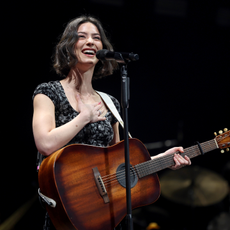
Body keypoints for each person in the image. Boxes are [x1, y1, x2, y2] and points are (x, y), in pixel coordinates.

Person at [32, 15, 191, 230]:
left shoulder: (110, 103)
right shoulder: (48, 92)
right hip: (68, 214)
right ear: (68, 46)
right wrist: (84, 117)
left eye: (96, 38)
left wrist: (162, 160)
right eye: (82, 37)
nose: (91, 41)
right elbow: (45, 144)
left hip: (106, 214)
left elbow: (122, 163)